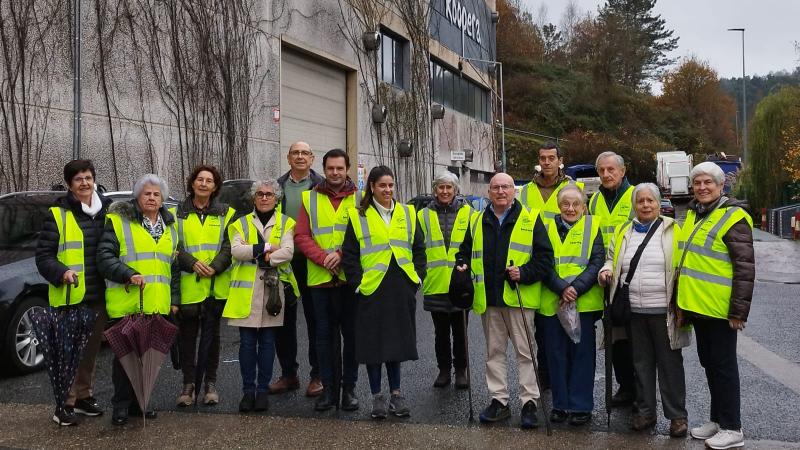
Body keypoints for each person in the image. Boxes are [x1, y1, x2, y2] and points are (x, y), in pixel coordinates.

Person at [456, 172, 553, 430]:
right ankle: (499, 400)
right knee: (494, 353)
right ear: (489, 192)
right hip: (488, 299)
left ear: (514, 191)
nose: (501, 191)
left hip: (519, 298)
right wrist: (461, 266)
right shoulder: (477, 220)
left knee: (526, 352)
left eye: (506, 187)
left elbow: (545, 259)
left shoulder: (531, 219)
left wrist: (525, 272)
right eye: (496, 187)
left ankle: (529, 402)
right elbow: (464, 252)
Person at [598, 183, 690, 437]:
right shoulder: (624, 231)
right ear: (634, 205)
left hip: (664, 310)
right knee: (641, 365)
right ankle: (645, 412)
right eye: (641, 201)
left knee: (670, 366)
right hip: (634, 311)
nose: (646, 205)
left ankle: (677, 417)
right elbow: (612, 257)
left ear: (659, 204)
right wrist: (606, 270)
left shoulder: (673, 230)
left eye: (651, 200)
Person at [677, 162, 754, 450]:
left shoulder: (733, 217)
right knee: (710, 365)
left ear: (721, 186)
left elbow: (745, 268)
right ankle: (718, 420)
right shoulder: (696, 214)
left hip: (722, 311)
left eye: (708, 182)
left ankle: (733, 427)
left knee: (724, 367)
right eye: (697, 183)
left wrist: (738, 312)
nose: (702, 187)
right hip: (700, 308)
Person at [341, 165, 426, 420]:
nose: (387, 190)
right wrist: (357, 282)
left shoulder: (408, 213)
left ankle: (396, 395)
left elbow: (419, 249)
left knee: (396, 342)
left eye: (390, 185)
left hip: (401, 286)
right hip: (371, 287)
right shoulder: (358, 216)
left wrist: (417, 278)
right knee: (372, 344)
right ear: (372, 188)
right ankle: (377, 396)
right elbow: (350, 255)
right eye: (382, 185)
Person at [97, 174, 179, 426]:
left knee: (148, 359)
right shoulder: (119, 221)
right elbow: (104, 256)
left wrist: (174, 299)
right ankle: (121, 405)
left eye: (156, 194)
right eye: (147, 193)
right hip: (127, 302)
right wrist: (128, 274)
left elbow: (173, 269)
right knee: (126, 359)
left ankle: (139, 403)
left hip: (157, 303)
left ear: (162, 198)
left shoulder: (170, 226)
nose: (152, 198)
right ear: (137, 196)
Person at [35, 160, 112, 425]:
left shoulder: (108, 212)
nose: (84, 183)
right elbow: (44, 256)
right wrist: (61, 272)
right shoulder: (58, 213)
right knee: (67, 355)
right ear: (70, 184)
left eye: (88, 177)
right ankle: (63, 404)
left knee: (90, 353)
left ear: (94, 180)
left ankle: (82, 397)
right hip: (69, 296)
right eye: (78, 179)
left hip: (98, 295)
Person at [294, 149, 361, 411]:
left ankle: (349, 390)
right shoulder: (309, 198)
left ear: (347, 170)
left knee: (352, 337)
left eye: (340, 168)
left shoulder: (359, 198)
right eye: (330, 168)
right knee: (324, 338)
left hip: (349, 280)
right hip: (320, 280)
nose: (335, 173)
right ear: (324, 169)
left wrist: (342, 255)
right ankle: (329, 390)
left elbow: (367, 235)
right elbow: (301, 236)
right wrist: (324, 259)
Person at [223, 180, 298, 413]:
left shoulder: (287, 222)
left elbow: (288, 252)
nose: (264, 198)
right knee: (246, 344)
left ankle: (262, 391)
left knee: (267, 343)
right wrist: (267, 248)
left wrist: (253, 250)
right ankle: (248, 392)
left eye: (269, 194)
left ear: (276, 198)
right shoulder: (239, 223)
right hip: (245, 292)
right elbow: (236, 251)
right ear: (253, 198)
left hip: (273, 292)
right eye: (260, 194)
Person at [518, 141, 584, 392]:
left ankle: (564, 376)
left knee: (568, 327)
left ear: (560, 160)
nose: (546, 162)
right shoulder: (525, 191)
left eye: (551, 158)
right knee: (541, 329)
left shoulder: (574, 187)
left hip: (567, 263)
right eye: (542, 158)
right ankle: (545, 376)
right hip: (536, 263)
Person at [540, 184, 605, 426]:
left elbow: (597, 261)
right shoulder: (545, 227)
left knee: (582, 356)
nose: (570, 208)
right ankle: (561, 405)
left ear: (583, 207)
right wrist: (561, 287)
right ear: (558, 206)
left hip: (583, 303)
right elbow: (541, 261)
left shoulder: (593, 226)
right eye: (565, 203)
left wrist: (575, 288)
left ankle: (581, 406)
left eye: (575, 204)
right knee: (555, 355)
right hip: (552, 302)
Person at [171, 165, 235, 407]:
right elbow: (172, 246)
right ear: (192, 183)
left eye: (209, 181)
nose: (204, 184)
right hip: (189, 285)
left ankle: (210, 383)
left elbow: (230, 245)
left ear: (215, 186)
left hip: (214, 286)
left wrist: (216, 266)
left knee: (213, 337)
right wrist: (192, 263)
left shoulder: (226, 213)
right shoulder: (176, 213)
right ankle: (188, 384)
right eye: (200, 179)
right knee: (187, 338)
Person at [272, 141, 324, 396]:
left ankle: (318, 375)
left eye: (305, 152)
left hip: (313, 261)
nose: (300, 156)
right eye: (295, 153)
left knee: (316, 320)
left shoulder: (322, 186)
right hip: (285, 262)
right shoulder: (277, 187)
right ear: (288, 158)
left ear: (312, 158)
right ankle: (288, 374)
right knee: (284, 321)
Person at [588, 151, 637, 407]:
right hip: (606, 278)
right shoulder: (594, 200)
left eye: (611, 170)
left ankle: (641, 390)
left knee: (636, 337)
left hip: (633, 276)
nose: (606, 175)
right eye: (601, 171)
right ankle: (625, 386)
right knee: (614, 335)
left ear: (622, 170)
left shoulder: (636, 196)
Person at [418, 171, 473, 389]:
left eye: (449, 187)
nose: (445, 191)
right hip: (435, 282)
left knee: (461, 332)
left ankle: (461, 370)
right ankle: (443, 370)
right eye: (441, 187)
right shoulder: (422, 215)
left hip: (460, 282)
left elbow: (472, 244)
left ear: (456, 190)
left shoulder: (470, 213)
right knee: (440, 333)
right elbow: (418, 248)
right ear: (434, 190)